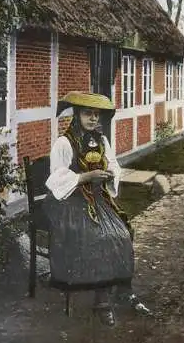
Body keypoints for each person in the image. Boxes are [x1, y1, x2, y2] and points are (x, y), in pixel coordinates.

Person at [44, 91, 151, 326]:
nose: (93, 119)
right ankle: (102, 302)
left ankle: (124, 288)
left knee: (122, 231)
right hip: (70, 200)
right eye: (87, 113)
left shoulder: (102, 141)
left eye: (96, 114)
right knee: (101, 236)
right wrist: (85, 176)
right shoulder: (64, 142)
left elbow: (113, 164)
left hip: (96, 198)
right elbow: (56, 177)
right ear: (77, 115)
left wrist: (111, 173)